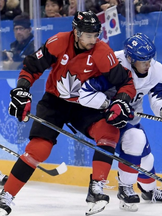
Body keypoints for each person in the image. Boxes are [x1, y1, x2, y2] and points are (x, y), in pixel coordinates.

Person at [0, 10, 136, 216]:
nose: (93, 40)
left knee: (109, 132)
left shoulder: (102, 52)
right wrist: (22, 89)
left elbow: (126, 82)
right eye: (89, 35)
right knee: (39, 149)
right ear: (76, 32)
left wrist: (121, 100)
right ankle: (6, 196)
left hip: (85, 104)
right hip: (54, 102)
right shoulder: (58, 42)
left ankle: (96, 188)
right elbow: (31, 66)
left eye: (96, 35)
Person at [78, 32, 162, 211]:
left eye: (149, 59)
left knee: (146, 159)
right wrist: (110, 105)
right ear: (129, 57)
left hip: (130, 119)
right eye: (143, 61)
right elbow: (86, 93)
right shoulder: (113, 64)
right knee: (136, 140)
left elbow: (158, 98)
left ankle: (149, 191)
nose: (148, 64)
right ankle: (125, 188)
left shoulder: (157, 70)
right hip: (105, 119)